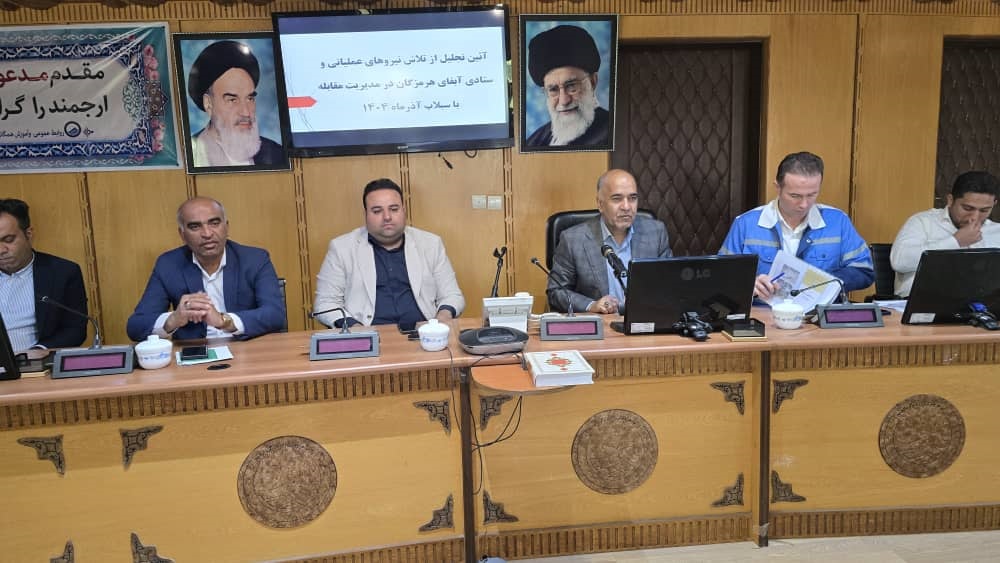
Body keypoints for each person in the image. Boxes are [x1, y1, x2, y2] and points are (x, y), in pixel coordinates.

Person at [719, 151, 874, 300]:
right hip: (762, 311)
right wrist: (749, 284)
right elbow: (721, 275)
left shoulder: (838, 221)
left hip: (819, 313)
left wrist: (827, 282)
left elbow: (864, 270)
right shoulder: (746, 224)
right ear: (778, 188)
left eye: (812, 195)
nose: (804, 204)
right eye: (795, 196)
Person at [126, 197, 285, 341]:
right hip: (196, 353)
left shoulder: (255, 259)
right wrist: (173, 319)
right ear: (182, 235)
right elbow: (136, 326)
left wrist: (223, 320)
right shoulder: (169, 264)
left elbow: (275, 314)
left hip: (247, 350)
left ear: (226, 227)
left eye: (214, 223)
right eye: (195, 226)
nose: (207, 234)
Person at [313, 178, 465, 328]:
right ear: (365, 214)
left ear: (404, 210)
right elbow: (325, 303)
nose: (387, 217)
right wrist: (355, 329)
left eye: (394, 209)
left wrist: (441, 319)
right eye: (377, 211)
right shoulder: (342, 248)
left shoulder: (430, 244)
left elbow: (452, 295)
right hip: (367, 334)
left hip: (423, 334)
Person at [547, 169, 672, 314]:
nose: (626, 207)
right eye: (617, 199)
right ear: (600, 204)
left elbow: (670, 283)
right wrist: (592, 305)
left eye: (632, 198)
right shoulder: (573, 239)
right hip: (600, 323)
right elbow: (556, 292)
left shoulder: (656, 233)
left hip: (645, 320)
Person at [890, 170, 1000, 297]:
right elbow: (899, 262)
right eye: (967, 208)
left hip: (984, 304)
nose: (975, 217)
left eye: (984, 210)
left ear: (994, 204)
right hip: (924, 301)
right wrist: (955, 241)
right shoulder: (923, 222)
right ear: (950, 200)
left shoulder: (996, 231)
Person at [0, 199, 87, 352]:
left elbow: (75, 330)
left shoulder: (62, 272)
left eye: (8, 240)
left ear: (28, 234)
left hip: (35, 362)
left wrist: (40, 350)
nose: (1, 250)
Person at [187, 40, 283, 167]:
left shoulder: (276, 154)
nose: (246, 112)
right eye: (232, 100)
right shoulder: (190, 155)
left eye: (250, 98)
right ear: (208, 103)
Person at [524, 25, 610, 147]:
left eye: (571, 86)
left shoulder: (610, 133)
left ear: (592, 82)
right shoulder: (534, 141)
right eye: (553, 90)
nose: (564, 101)